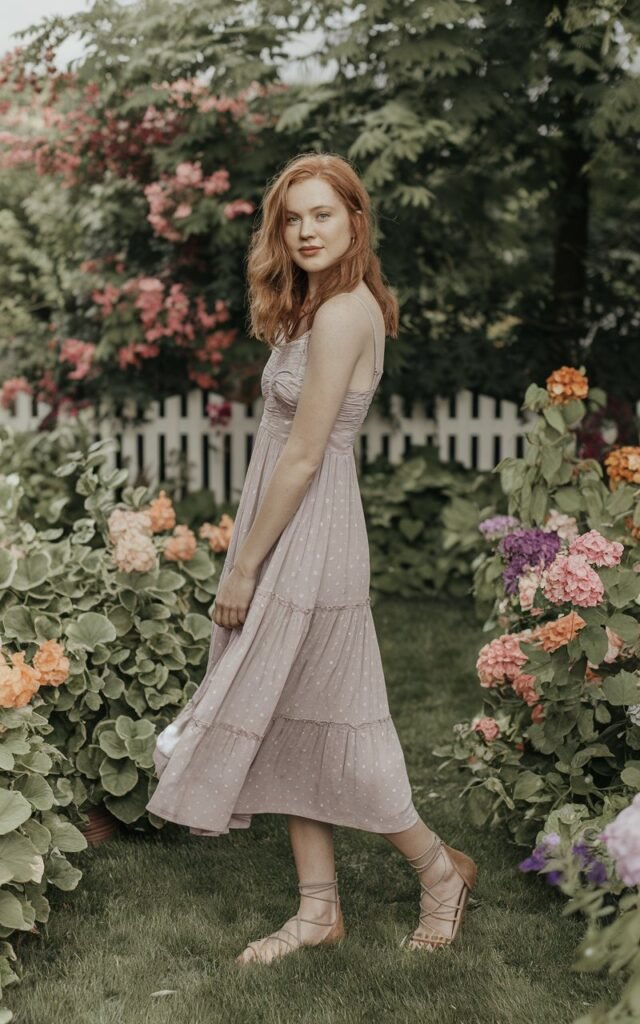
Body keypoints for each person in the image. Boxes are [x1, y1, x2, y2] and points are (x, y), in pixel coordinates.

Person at [146, 151, 477, 965]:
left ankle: (439, 872)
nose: (305, 231)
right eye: (292, 218)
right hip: (290, 522)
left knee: (339, 722)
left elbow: (301, 456)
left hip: (310, 533)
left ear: (355, 221)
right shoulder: (316, 306)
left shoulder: (341, 315)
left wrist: (242, 567)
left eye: (322, 214)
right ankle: (319, 910)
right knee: (289, 712)